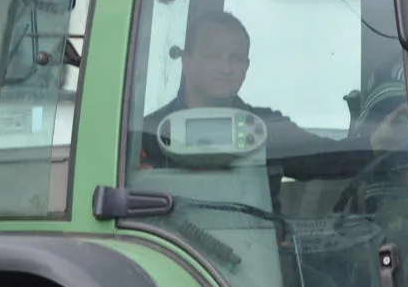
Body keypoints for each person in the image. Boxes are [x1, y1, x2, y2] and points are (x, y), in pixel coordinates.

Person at [135, 10, 332, 178]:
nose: (226, 68)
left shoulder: (269, 128)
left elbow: (332, 160)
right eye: (213, 57)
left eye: (235, 58)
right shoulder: (147, 136)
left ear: (246, 67)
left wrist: (363, 146)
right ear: (187, 62)